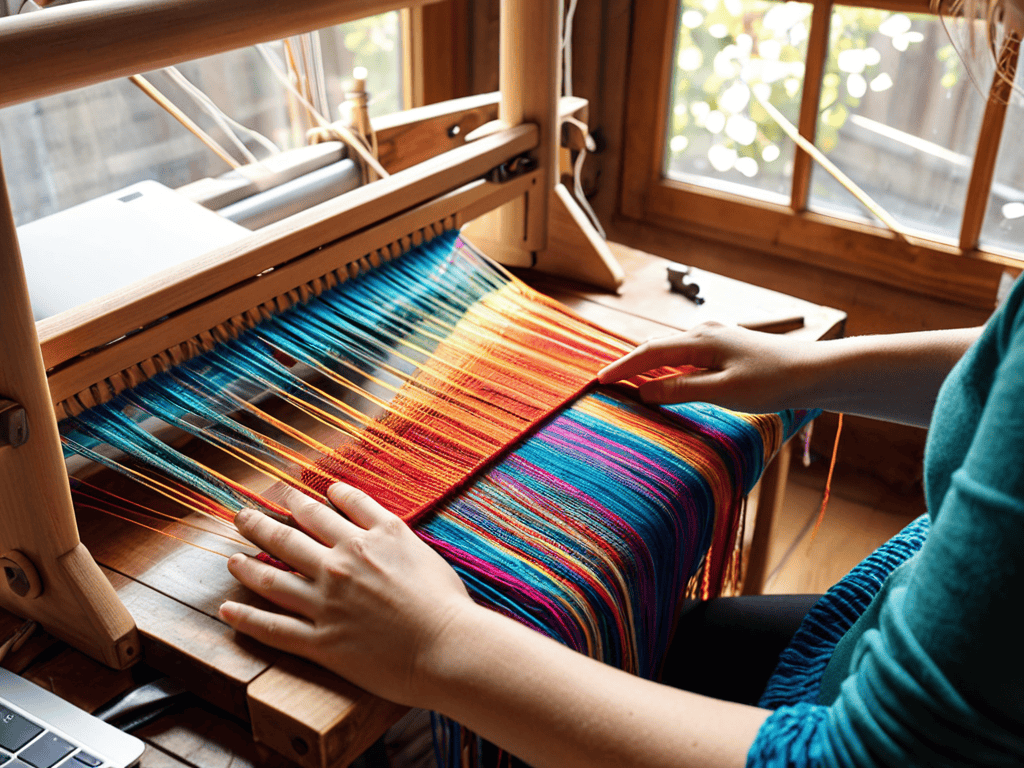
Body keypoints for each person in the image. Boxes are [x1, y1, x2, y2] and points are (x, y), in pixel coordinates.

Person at [217, 2, 1024, 763]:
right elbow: (1010, 356)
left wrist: (439, 645)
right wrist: (802, 371)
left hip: (880, 702)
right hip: (893, 618)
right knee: (699, 640)